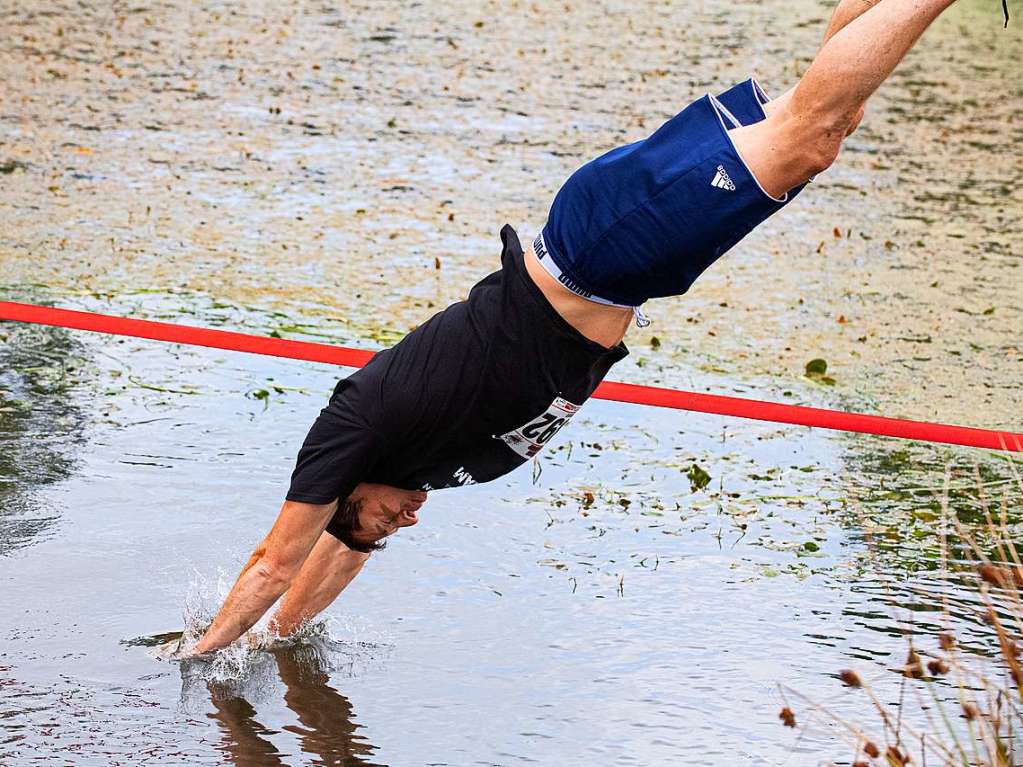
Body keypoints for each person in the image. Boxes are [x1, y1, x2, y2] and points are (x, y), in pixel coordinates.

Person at [194, 0, 960, 653]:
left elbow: (276, 559)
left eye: (377, 520)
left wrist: (201, 652)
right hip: (625, 264)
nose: (404, 519)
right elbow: (343, 551)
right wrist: (278, 642)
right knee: (825, 129)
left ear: (343, 492)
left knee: (808, 131)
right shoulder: (415, 463)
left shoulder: (355, 428)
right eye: (392, 530)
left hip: (604, 245)